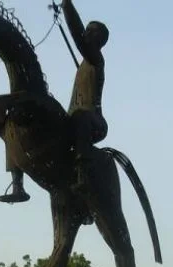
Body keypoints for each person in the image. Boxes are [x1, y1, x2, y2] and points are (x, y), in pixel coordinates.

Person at [60, 0, 109, 193]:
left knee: (80, 116)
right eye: (87, 30)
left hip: (93, 122)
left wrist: (67, 5)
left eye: (91, 31)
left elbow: (78, 36)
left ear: (100, 39)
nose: (87, 33)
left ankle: (83, 171)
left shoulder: (96, 59)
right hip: (75, 118)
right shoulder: (86, 64)